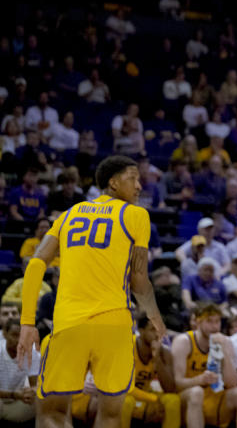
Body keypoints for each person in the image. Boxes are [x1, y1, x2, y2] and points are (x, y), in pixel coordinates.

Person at [15, 155, 165, 428]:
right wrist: (155, 316)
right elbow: (139, 280)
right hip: (115, 326)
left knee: (51, 414)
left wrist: (27, 322)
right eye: (134, 178)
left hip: (70, 325)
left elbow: (35, 264)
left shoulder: (68, 215)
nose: (140, 186)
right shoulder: (136, 214)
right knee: (109, 417)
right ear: (113, 182)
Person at [171, 302, 237, 428]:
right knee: (196, 392)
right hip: (189, 400)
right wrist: (199, 380)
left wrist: (225, 351)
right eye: (209, 321)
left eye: (217, 321)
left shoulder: (226, 342)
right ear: (198, 322)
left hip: (216, 399)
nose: (215, 326)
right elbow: (176, 383)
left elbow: (232, 383)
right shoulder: (183, 342)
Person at [123, 314, 180, 428]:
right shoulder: (126, 347)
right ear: (141, 330)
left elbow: (170, 389)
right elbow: (124, 388)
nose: (157, 334)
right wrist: (153, 399)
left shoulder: (164, 353)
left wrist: (157, 359)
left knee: (173, 400)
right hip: (126, 397)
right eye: (153, 329)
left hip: (145, 397)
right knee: (125, 402)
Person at [1, 320, 40, 423]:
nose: (19, 341)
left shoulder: (32, 353)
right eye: (14, 335)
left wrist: (31, 392)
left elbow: (34, 386)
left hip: (18, 402)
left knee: (41, 401)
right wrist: (13, 394)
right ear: (4, 334)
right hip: (5, 399)